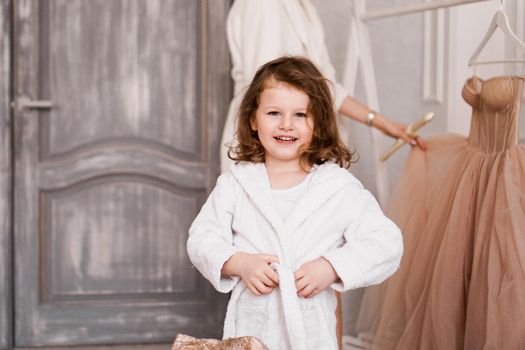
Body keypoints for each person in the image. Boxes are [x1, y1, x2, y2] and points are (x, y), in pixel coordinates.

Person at [188, 56, 403, 350]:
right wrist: (239, 263)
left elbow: (386, 243)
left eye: (301, 115)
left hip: (311, 334)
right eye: (274, 113)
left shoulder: (337, 187)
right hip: (252, 329)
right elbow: (202, 238)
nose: (287, 125)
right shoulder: (236, 184)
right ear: (253, 119)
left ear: (319, 122)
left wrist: (332, 266)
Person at [221, 0, 426, 174]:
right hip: (266, 149)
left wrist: (381, 122)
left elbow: (325, 85)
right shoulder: (263, 5)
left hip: (294, 149)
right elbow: (266, 87)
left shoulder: (304, 8)